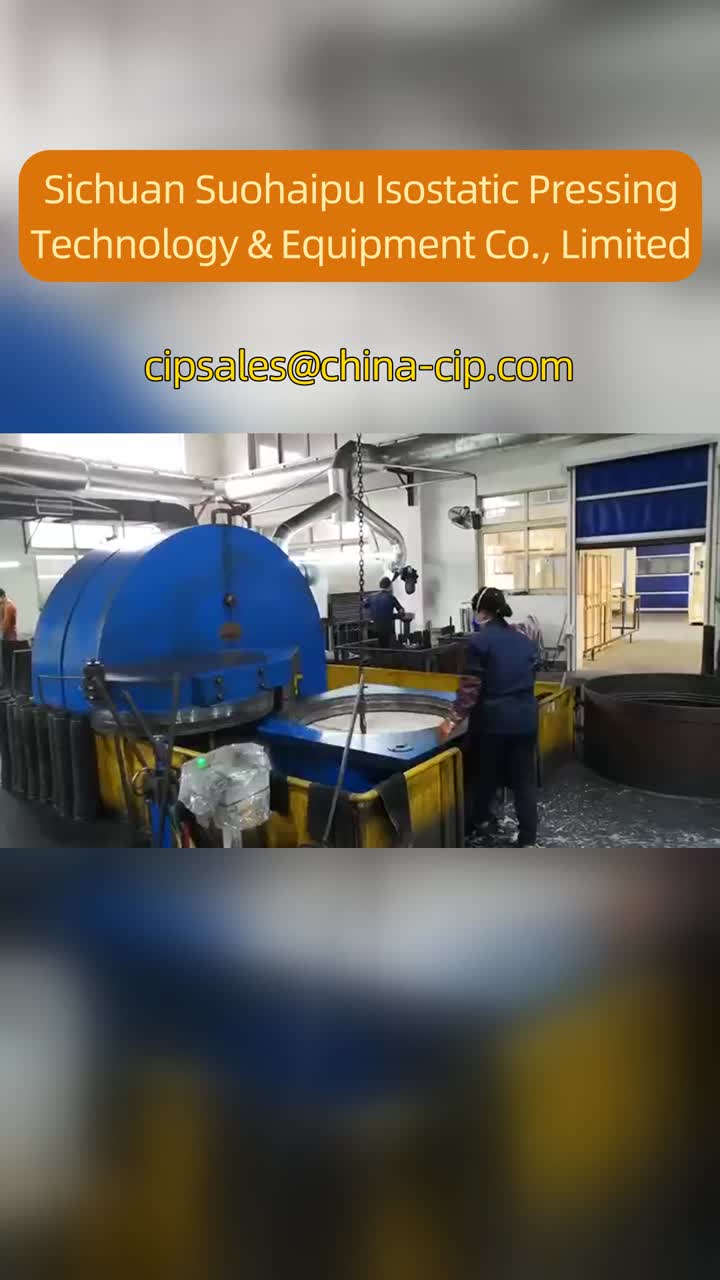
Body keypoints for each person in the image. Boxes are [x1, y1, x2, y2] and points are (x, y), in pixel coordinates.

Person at [439, 586, 540, 847]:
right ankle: (528, 837)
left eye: (476, 611)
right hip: (526, 722)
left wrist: (452, 720)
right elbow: (529, 677)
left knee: (484, 776)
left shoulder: (479, 643)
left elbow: (470, 689)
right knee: (524, 783)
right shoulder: (524, 640)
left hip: (494, 725)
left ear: (482, 612)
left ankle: (480, 823)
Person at [366, 577, 405, 649]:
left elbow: (364, 606)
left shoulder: (371, 596)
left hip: (373, 628)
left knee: (374, 650)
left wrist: (372, 615)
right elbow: (401, 611)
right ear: (390, 586)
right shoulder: (391, 597)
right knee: (387, 649)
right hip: (387, 629)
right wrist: (394, 616)